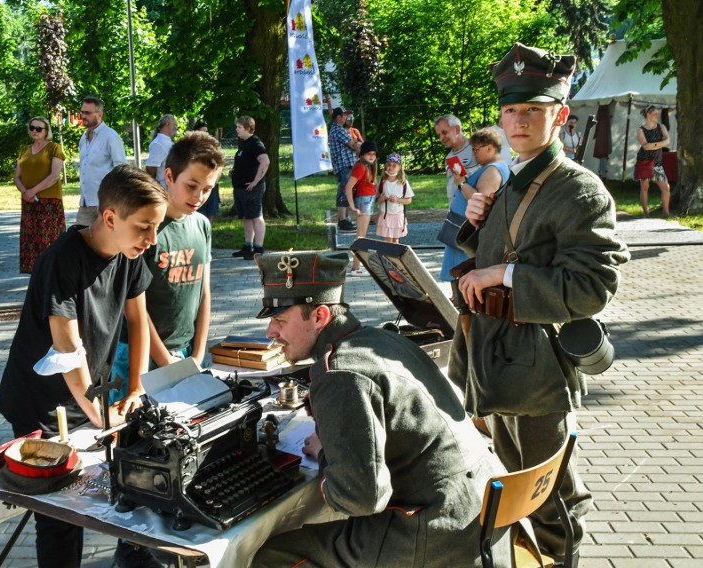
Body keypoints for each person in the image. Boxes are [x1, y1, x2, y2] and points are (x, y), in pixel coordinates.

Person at [448, 42, 630, 564]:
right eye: (511, 110)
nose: (519, 121)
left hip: (535, 373)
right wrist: (476, 225)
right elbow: (492, 258)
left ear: (561, 115)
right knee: (509, 486)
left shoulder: (579, 190)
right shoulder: (512, 180)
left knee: (552, 499)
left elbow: (592, 287)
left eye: (534, 110)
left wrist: (504, 272)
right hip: (488, 360)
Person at [251, 250, 510, 567]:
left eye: (279, 320)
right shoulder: (380, 339)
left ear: (319, 316)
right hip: (483, 512)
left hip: (436, 534)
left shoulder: (339, 374)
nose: (270, 333)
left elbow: (360, 497)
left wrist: (327, 455)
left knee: (269, 554)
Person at [0, 165, 168, 568]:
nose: (152, 239)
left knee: (127, 486)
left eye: (156, 227)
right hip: (42, 404)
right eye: (144, 227)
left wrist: (136, 389)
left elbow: (138, 320)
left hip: (91, 395)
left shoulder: (129, 254)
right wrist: (100, 416)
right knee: (60, 515)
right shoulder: (61, 260)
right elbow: (67, 348)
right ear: (110, 218)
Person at [110, 131, 223, 403]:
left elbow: (204, 293)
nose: (199, 197)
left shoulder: (201, 225)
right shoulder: (146, 227)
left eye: (207, 189)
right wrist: (163, 360)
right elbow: (134, 304)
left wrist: (196, 355)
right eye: (192, 186)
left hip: (184, 353)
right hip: (137, 353)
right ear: (169, 176)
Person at [439, 127, 511, 282]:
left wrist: (461, 183)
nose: (473, 153)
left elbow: (480, 202)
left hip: (466, 234)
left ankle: (459, 305)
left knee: (460, 277)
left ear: (490, 147)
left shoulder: (493, 170)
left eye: (476, 149)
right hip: (462, 230)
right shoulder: (492, 168)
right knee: (457, 277)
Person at [13, 116, 65, 274]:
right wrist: (25, 192)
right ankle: (35, 275)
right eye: (32, 128)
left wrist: (33, 191)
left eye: (38, 128)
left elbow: (54, 175)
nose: (34, 131)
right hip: (29, 202)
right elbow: (16, 177)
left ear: (46, 131)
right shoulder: (24, 150)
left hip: (49, 202)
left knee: (49, 240)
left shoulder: (54, 148)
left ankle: (53, 273)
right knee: (31, 241)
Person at [77, 96, 127, 226]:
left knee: (106, 244)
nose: (83, 115)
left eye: (87, 113)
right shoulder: (83, 138)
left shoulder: (111, 136)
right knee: (80, 241)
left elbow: (121, 169)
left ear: (100, 114)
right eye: (82, 112)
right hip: (85, 203)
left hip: (105, 202)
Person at [229, 115, 269, 260]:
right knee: (247, 217)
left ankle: (258, 248)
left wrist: (255, 181)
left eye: (239, 127)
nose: (236, 129)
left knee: (256, 216)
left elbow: (265, 161)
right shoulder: (243, 143)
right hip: (240, 188)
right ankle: (247, 246)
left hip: (252, 189)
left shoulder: (255, 142)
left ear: (247, 128)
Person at [345, 140, 378, 276]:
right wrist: (353, 206)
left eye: (374, 154)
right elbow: (348, 187)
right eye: (369, 154)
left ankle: (358, 266)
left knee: (362, 235)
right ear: (363, 154)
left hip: (368, 200)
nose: (371, 156)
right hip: (363, 201)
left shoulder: (368, 166)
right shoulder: (361, 167)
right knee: (361, 236)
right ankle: (355, 267)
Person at [328, 107, 362, 231]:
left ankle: (345, 219)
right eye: (344, 116)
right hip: (344, 166)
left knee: (347, 191)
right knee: (343, 192)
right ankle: (342, 220)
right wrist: (359, 146)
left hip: (344, 166)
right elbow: (353, 145)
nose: (346, 118)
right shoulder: (339, 130)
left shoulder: (337, 129)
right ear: (338, 117)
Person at [434, 114, 479, 205]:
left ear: (457, 129)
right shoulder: (449, 158)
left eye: (444, 132)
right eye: (439, 135)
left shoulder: (476, 148)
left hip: (475, 211)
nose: (441, 138)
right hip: (455, 213)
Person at [635, 105, 671, 217]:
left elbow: (667, 141)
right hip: (644, 161)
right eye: (655, 113)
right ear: (648, 114)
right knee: (645, 187)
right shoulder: (641, 130)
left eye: (657, 113)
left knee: (666, 188)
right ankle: (646, 213)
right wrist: (660, 144)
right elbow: (645, 147)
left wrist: (653, 145)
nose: (657, 115)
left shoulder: (661, 127)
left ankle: (666, 213)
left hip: (657, 162)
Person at [375, 153, 414, 244]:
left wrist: (397, 200)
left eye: (394, 165)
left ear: (399, 167)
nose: (391, 167)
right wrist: (382, 198)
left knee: (396, 240)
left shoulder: (403, 182)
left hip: (398, 214)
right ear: (385, 166)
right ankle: (388, 256)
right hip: (385, 215)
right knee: (388, 240)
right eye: (388, 165)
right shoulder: (382, 182)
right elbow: (376, 200)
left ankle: (394, 257)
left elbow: (409, 200)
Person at [193, 121, 221, 221]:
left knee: (210, 211)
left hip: (210, 182)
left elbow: (219, 163)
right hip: (198, 182)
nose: (206, 133)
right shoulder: (191, 147)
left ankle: (208, 233)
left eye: (206, 131)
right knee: (198, 211)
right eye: (203, 131)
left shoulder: (212, 146)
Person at [145, 114, 178, 189]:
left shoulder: (165, 141)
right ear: (168, 124)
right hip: (163, 189)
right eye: (175, 125)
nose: (177, 128)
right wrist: (156, 186)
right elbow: (150, 167)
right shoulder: (159, 143)